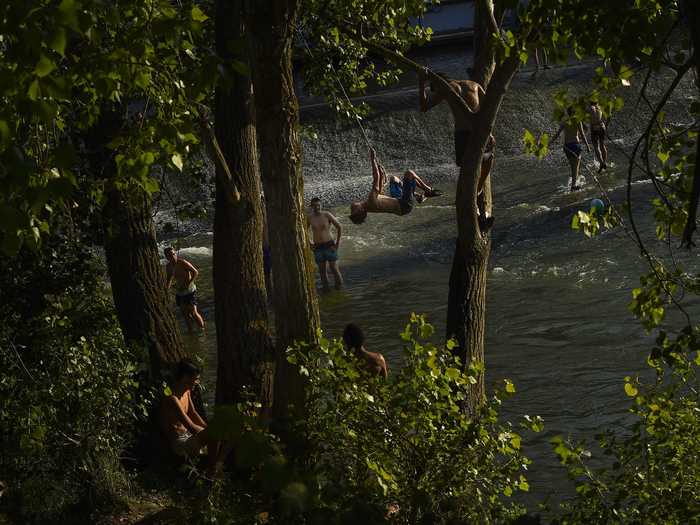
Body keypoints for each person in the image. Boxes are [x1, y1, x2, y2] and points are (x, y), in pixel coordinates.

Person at [418, 70, 495, 230]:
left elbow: (424, 107)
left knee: (468, 172)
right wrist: (490, 132)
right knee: (488, 159)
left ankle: (476, 206)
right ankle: (482, 207)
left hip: (463, 135)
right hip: (481, 131)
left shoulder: (447, 88)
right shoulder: (473, 84)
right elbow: (488, 108)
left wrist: (420, 85)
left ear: (437, 84)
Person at [159, 360, 228, 476]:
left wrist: (208, 429)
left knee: (224, 432)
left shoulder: (186, 392)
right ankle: (212, 473)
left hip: (191, 436)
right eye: (195, 379)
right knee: (215, 434)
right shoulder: (172, 399)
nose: (197, 382)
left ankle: (217, 465)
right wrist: (210, 434)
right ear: (185, 377)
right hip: (180, 443)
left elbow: (193, 413)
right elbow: (190, 426)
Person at [349, 149, 439, 224]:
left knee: (395, 179)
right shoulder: (371, 202)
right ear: (360, 210)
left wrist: (381, 174)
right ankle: (428, 190)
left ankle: (418, 196)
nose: (352, 209)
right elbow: (375, 178)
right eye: (353, 211)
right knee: (409, 173)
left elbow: (379, 192)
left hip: (399, 201)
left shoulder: (369, 206)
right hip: (404, 204)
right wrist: (373, 159)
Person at [165, 247, 205, 333]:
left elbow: (195, 272)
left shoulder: (182, 263)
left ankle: (202, 330)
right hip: (179, 292)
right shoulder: (168, 267)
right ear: (166, 258)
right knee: (185, 315)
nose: (172, 256)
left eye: (173, 254)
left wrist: (188, 283)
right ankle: (191, 332)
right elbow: (169, 279)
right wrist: (166, 290)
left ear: (176, 254)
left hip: (190, 290)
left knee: (193, 313)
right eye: (169, 255)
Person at [308, 197, 343, 290]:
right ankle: (327, 292)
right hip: (318, 247)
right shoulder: (310, 218)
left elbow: (339, 227)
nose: (317, 207)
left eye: (318, 205)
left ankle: (340, 291)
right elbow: (303, 230)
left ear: (321, 205)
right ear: (311, 206)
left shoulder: (327, 215)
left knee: (334, 269)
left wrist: (337, 244)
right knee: (322, 272)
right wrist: (310, 243)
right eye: (315, 206)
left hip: (329, 245)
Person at [552, 107, 591, 192]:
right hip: (575, 146)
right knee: (576, 167)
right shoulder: (577, 121)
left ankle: (574, 184)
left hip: (566, 147)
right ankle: (574, 185)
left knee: (572, 167)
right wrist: (587, 146)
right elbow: (582, 134)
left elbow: (557, 134)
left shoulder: (565, 121)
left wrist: (549, 143)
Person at [588, 101, 608, 171]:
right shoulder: (600, 107)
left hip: (594, 128)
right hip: (602, 126)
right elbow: (606, 117)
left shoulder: (590, 108)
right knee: (602, 145)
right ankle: (604, 162)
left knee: (596, 146)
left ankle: (601, 163)